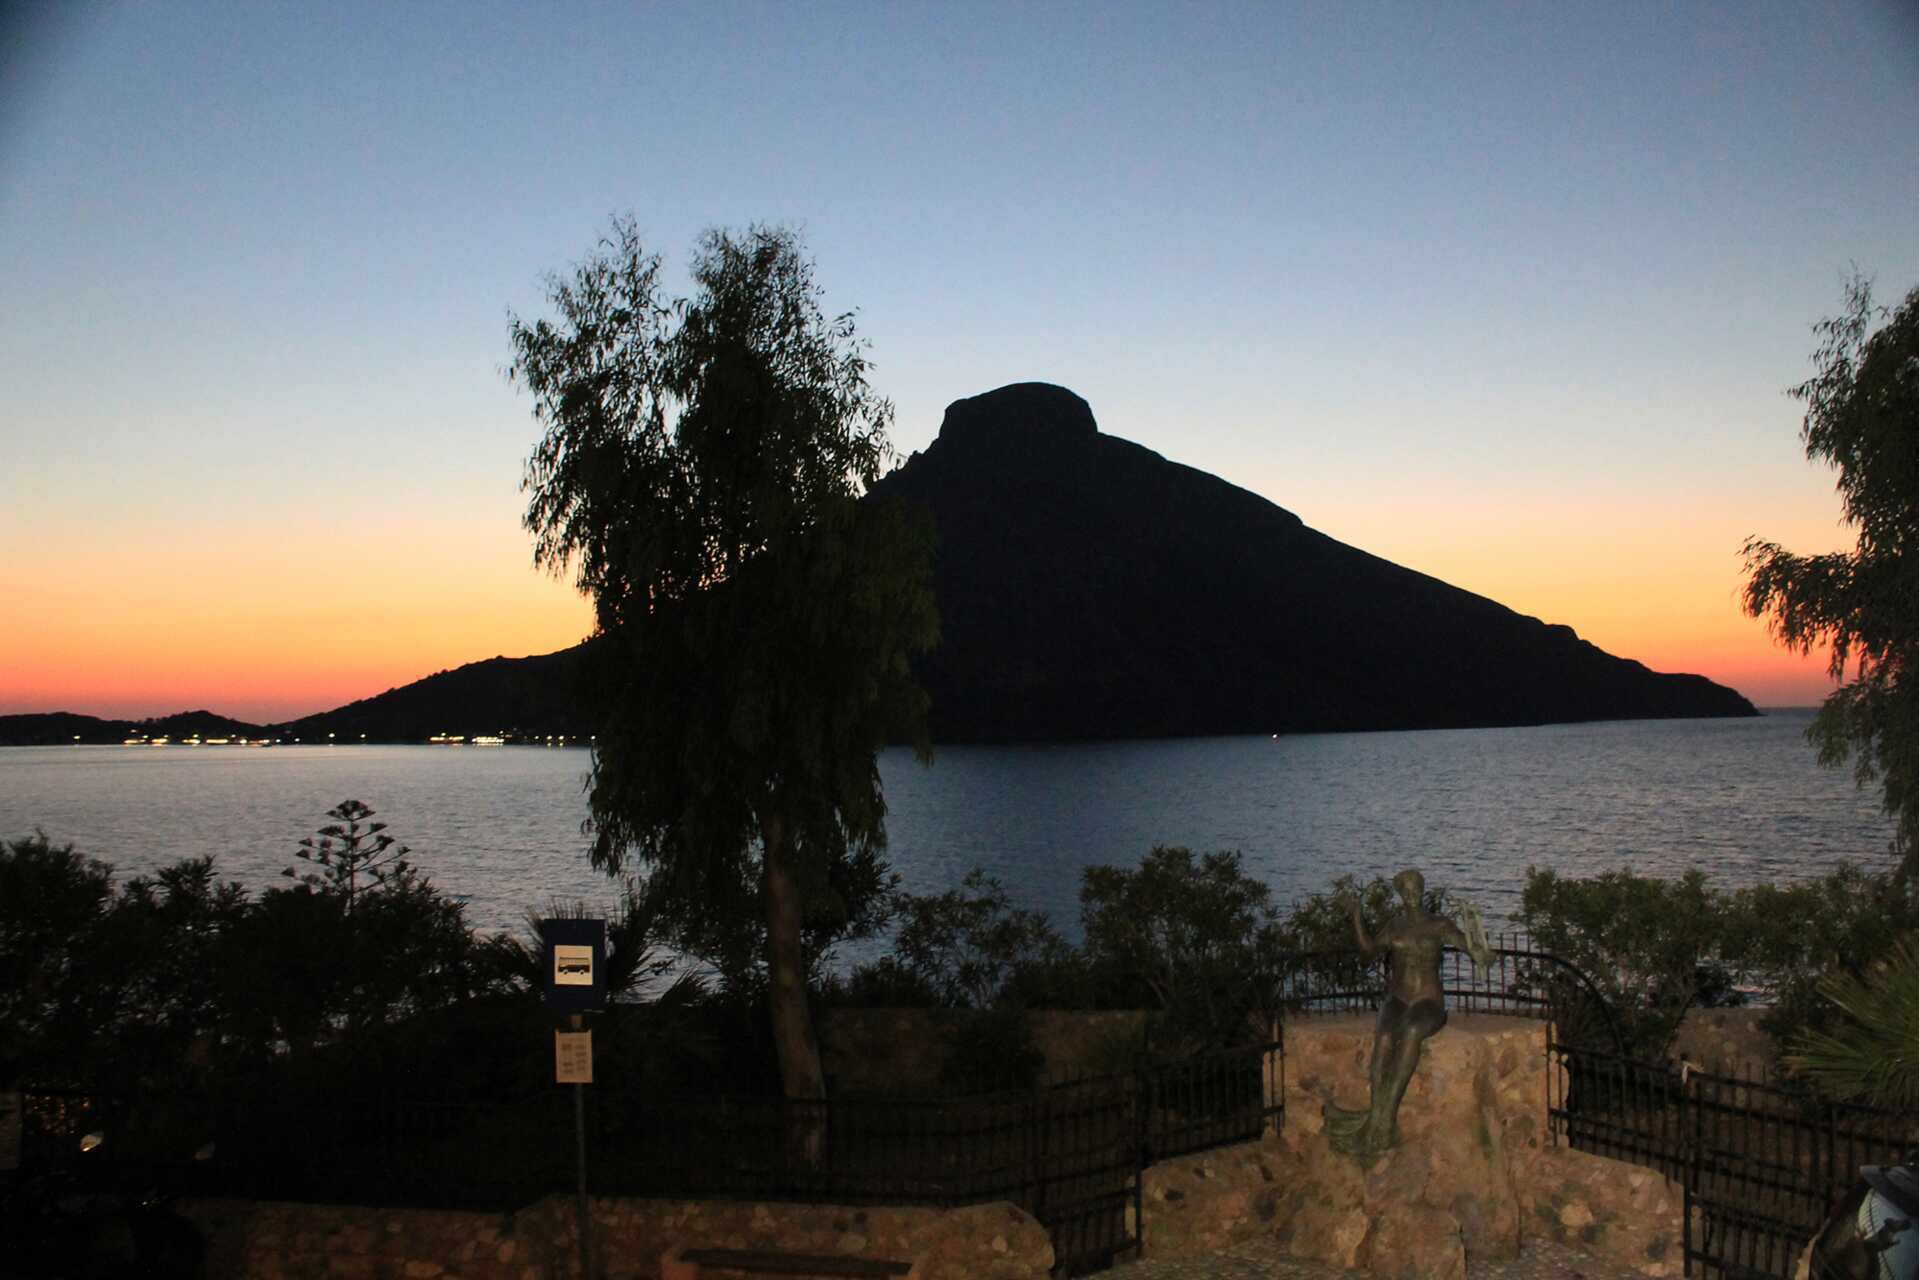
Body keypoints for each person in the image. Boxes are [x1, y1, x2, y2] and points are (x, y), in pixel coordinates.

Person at [1325, 868, 1492, 1156]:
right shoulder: (1395, 926)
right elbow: (1367, 954)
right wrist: (1356, 916)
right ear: (1401, 894)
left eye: (1417, 889)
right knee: (1386, 1037)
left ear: (1422, 891)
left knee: (1413, 1029)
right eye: (1407, 890)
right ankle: (1378, 1120)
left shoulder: (1439, 925)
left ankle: (1382, 1118)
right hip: (1398, 999)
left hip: (1428, 1001)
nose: (1412, 895)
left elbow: (1472, 949)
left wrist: (1481, 952)